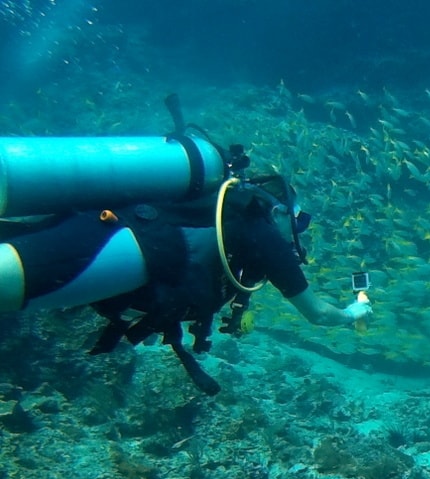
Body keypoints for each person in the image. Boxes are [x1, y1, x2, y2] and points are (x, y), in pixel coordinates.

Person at [0, 104, 372, 395]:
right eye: (297, 223)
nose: (296, 235)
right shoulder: (259, 228)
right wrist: (353, 312)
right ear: (280, 212)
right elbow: (317, 314)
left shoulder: (221, 206)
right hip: (121, 247)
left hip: (103, 228)